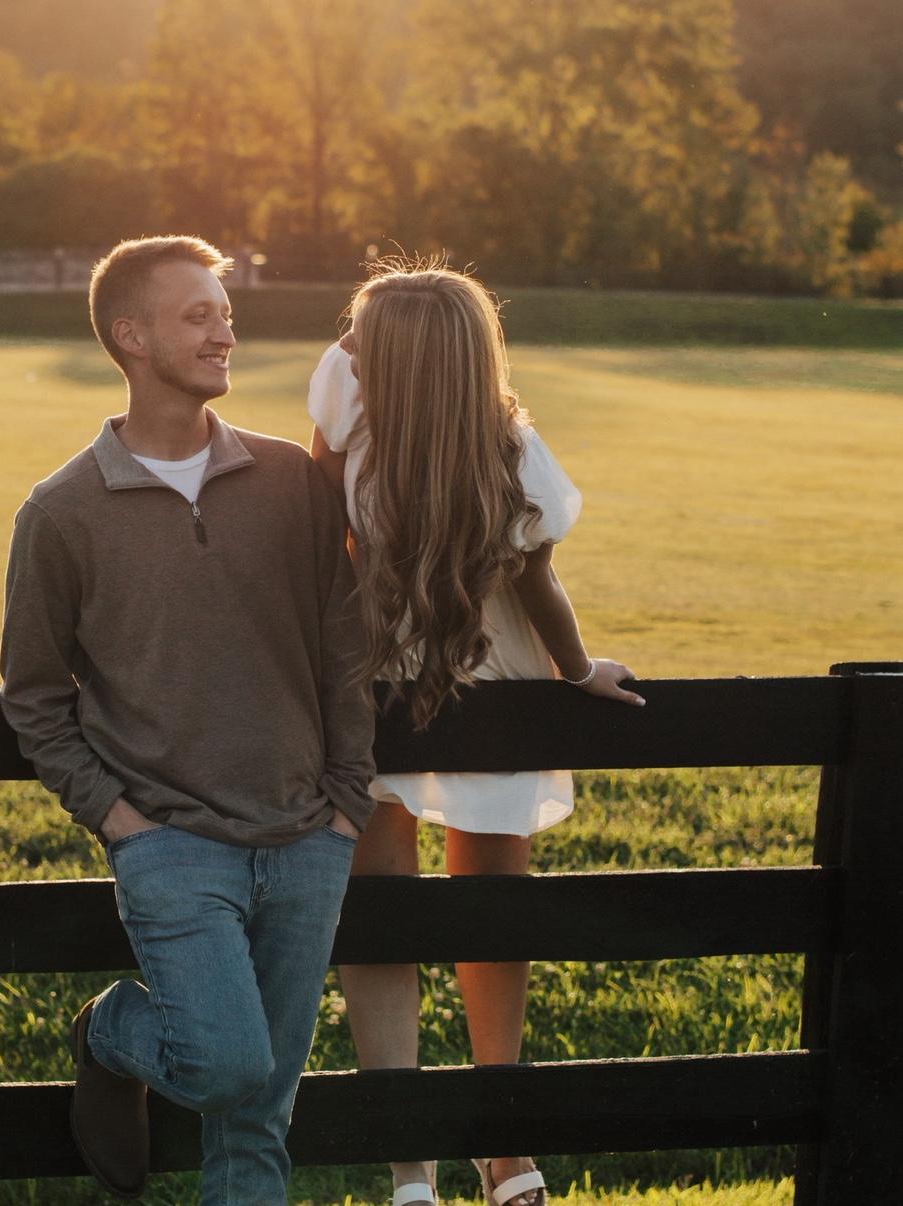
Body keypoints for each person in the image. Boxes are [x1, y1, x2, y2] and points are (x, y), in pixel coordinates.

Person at [0, 235, 375, 1204]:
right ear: (130, 337)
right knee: (227, 1069)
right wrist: (123, 823)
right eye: (197, 315)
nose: (225, 332)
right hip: (171, 844)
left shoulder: (295, 481)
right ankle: (113, 1032)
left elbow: (345, 649)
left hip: (307, 836)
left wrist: (346, 802)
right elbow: (36, 696)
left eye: (225, 313)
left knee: (262, 1119)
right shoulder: (62, 511)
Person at [307, 260, 645, 1206]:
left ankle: (408, 1168)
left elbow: (316, 523)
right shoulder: (514, 451)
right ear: (475, 355)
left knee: (383, 922)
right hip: (494, 692)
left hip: (374, 695)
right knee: (491, 915)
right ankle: (504, 1150)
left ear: (381, 361)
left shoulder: (354, 432)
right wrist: (580, 674)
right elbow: (539, 587)